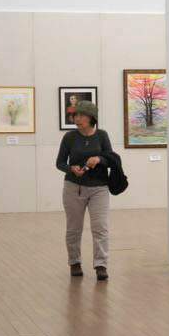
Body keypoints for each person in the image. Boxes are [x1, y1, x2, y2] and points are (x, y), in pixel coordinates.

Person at [55, 100, 113, 280]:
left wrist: (99, 159)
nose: (77, 119)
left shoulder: (102, 135)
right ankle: (75, 262)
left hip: (99, 188)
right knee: (74, 228)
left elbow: (110, 159)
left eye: (81, 115)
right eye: (75, 115)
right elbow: (60, 163)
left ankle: (101, 265)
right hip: (74, 188)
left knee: (100, 228)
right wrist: (70, 168)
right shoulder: (69, 137)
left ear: (91, 117)